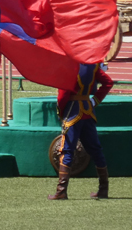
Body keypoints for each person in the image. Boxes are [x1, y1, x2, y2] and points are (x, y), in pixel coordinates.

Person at [49, 63, 115, 201]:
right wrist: (94, 101)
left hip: (73, 113)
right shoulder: (93, 65)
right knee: (96, 149)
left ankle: (61, 191)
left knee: (67, 150)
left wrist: (61, 112)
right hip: (88, 111)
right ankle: (103, 189)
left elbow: (63, 94)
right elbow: (108, 82)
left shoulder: (68, 66)